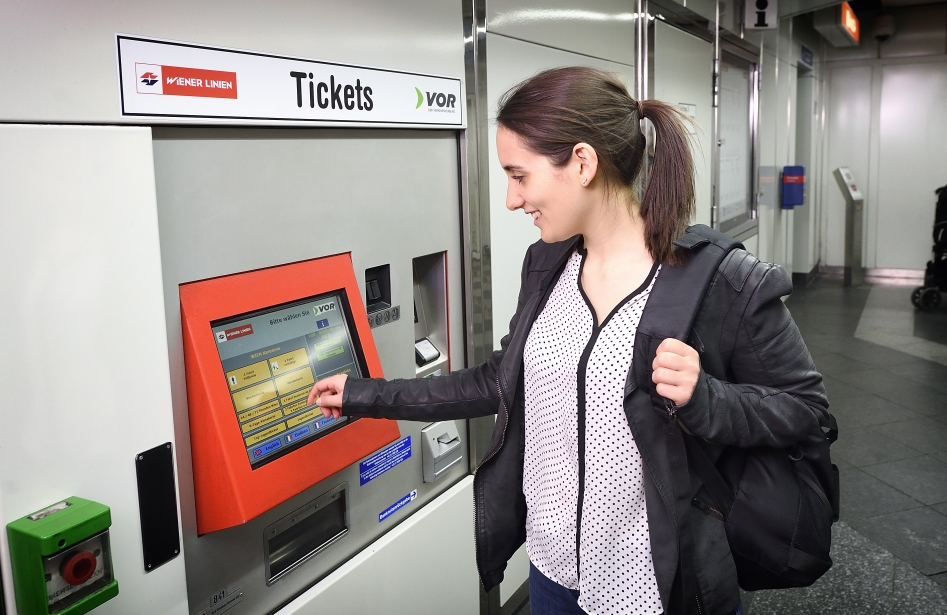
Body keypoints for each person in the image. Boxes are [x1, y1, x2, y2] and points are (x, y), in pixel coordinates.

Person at [307, 67, 828, 615]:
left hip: (661, 585)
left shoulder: (721, 282)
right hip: (554, 573)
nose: (512, 199)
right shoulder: (547, 264)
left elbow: (807, 411)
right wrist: (364, 395)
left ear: (582, 162)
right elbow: (499, 382)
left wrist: (707, 397)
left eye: (519, 176)